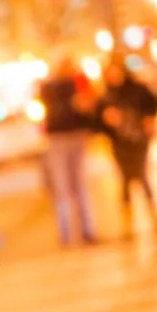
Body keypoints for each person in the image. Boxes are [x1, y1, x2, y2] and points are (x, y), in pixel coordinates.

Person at [97, 61, 157, 238]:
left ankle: (154, 216)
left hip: (138, 139)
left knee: (141, 175)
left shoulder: (137, 89)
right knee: (125, 179)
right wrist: (106, 119)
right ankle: (127, 223)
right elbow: (97, 122)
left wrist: (149, 119)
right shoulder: (106, 96)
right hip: (120, 144)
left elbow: (153, 103)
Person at [38, 56, 98, 246]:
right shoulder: (56, 86)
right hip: (63, 137)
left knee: (74, 186)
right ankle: (71, 233)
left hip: (71, 136)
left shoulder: (67, 84)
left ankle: (79, 232)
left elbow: (88, 107)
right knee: (70, 186)